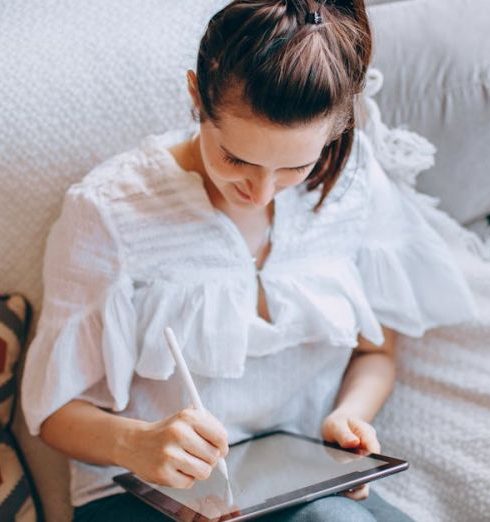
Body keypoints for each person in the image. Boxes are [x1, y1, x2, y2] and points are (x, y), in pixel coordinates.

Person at [21, 0, 477, 520]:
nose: (260, 192)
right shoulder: (109, 210)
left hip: (295, 480)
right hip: (142, 495)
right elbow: (53, 413)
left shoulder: (351, 184)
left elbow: (376, 351)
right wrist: (141, 444)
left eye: (294, 166)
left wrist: (347, 420)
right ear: (196, 96)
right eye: (236, 158)